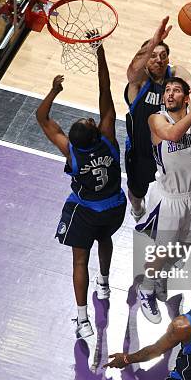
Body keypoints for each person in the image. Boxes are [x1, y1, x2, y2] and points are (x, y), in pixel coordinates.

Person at [36, 43, 126, 339]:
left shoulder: (71, 152)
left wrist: (53, 91)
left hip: (87, 211)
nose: (90, 118)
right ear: (96, 131)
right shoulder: (109, 137)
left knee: (78, 260)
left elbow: (41, 118)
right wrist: (100, 52)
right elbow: (105, 90)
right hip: (114, 208)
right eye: (90, 121)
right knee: (106, 238)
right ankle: (104, 282)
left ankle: (82, 319)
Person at [135, 33, 191, 323]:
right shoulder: (157, 120)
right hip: (170, 198)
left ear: (185, 96)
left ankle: (159, 278)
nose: (169, 93)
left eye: (176, 90)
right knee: (163, 250)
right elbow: (172, 134)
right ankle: (146, 289)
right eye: (167, 89)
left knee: (183, 247)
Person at [125, 16, 191, 221]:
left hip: (172, 151)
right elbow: (132, 71)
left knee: (174, 197)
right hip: (141, 153)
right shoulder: (138, 84)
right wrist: (153, 42)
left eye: (163, 55)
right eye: (153, 55)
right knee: (136, 192)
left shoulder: (175, 75)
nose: (158, 59)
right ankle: (138, 211)